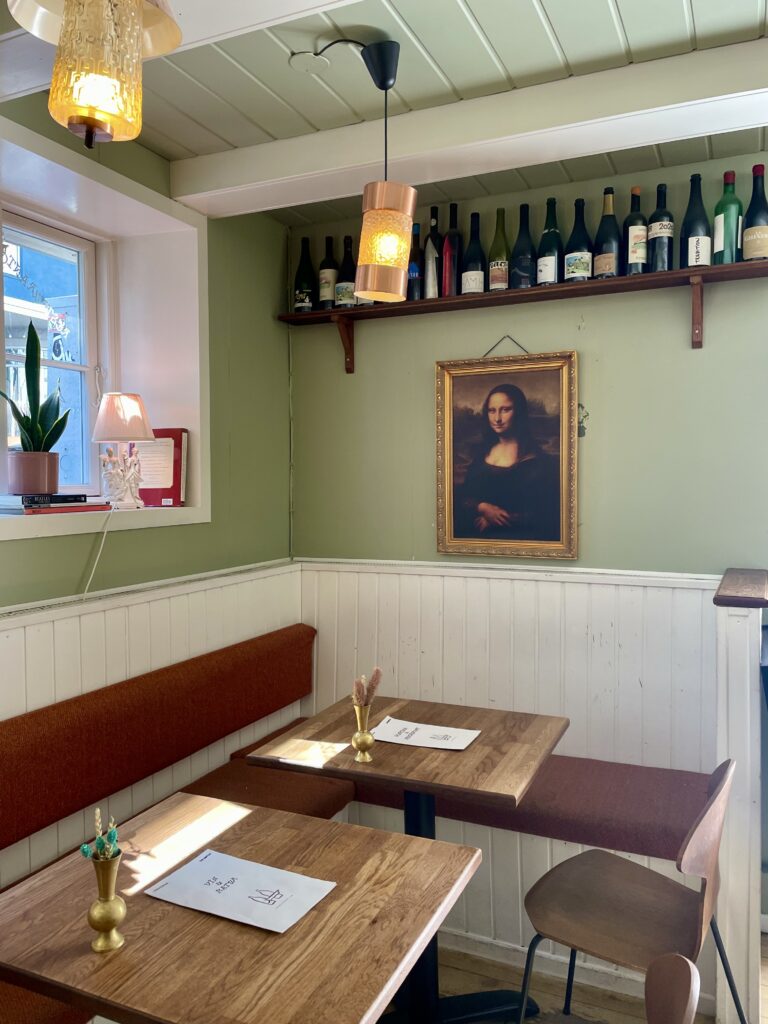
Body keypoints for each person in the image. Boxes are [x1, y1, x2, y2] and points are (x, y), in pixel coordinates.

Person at [456, 383, 560, 541]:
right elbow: (464, 497)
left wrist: (496, 520)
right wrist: (482, 507)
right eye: (492, 410)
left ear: (518, 412)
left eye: (505, 410)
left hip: (516, 540)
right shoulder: (481, 454)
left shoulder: (537, 462)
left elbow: (543, 514)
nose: (497, 418)